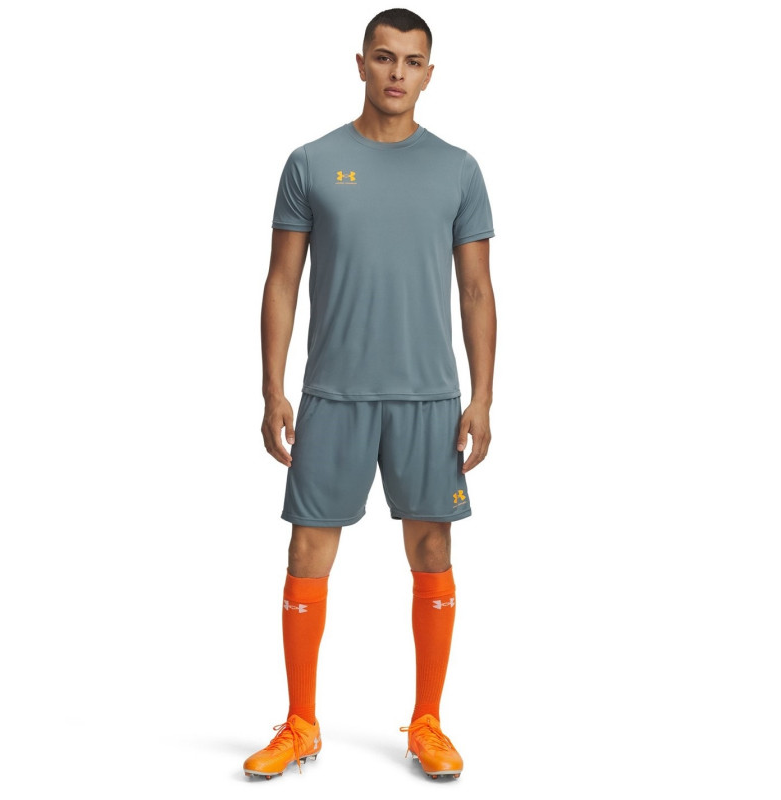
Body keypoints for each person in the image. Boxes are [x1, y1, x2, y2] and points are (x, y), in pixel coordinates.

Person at [244, 7, 496, 781]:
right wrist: (272, 388)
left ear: (429, 73)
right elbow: (282, 281)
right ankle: (300, 724)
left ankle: (428, 722)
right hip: (334, 396)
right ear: (360, 64)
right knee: (306, 550)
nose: (396, 73)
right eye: (384, 57)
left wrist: (483, 397)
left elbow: (477, 290)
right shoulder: (312, 163)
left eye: (412, 61)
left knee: (432, 549)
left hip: (428, 398)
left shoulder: (457, 169)